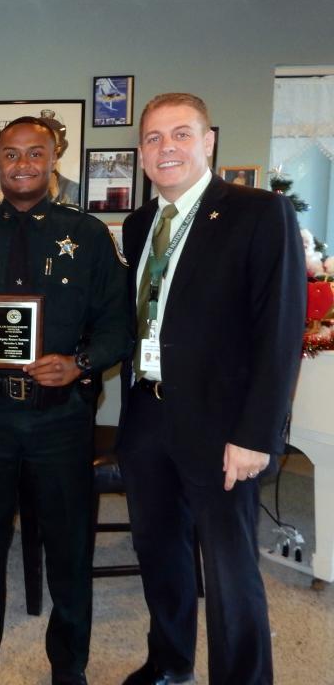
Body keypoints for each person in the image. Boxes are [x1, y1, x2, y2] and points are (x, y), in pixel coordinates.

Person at [0, 117, 130, 685]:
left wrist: (81, 364)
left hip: (60, 416)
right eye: (11, 154)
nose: (22, 165)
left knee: (68, 544)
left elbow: (118, 326)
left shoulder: (87, 236)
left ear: (53, 157)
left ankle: (69, 662)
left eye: (34, 154)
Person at [117, 93, 305, 685]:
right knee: (161, 554)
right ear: (142, 153)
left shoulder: (258, 213)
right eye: (153, 138)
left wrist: (256, 434)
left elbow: (277, 333)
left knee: (229, 570)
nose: (165, 148)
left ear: (208, 142)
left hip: (225, 428)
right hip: (147, 416)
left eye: (180, 134)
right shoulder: (141, 222)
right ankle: (170, 664)